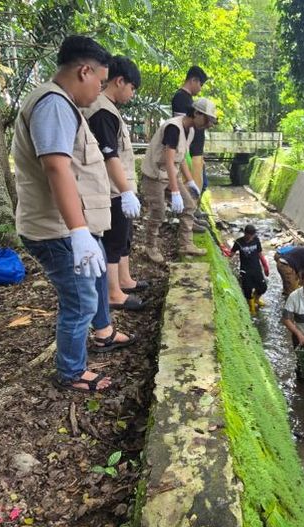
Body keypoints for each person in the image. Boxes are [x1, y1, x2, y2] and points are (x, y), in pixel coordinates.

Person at [13, 35, 132, 392]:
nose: (99, 90)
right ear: (84, 71)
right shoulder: (53, 105)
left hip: (69, 227)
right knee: (79, 301)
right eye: (99, 80)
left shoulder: (63, 105)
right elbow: (56, 169)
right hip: (56, 230)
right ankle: (71, 372)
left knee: (91, 290)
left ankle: (101, 334)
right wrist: (78, 232)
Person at [82, 55, 147, 312]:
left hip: (119, 189)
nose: (132, 94)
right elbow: (110, 156)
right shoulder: (102, 112)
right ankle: (113, 293)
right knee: (114, 241)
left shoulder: (110, 110)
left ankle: (124, 279)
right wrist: (126, 192)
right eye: (132, 88)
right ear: (119, 81)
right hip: (112, 190)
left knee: (124, 238)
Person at [140, 97, 217, 262]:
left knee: (189, 205)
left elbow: (180, 158)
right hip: (155, 176)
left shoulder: (190, 130)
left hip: (170, 175)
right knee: (158, 212)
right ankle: (150, 246)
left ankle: (186, 243)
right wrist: (175, 191)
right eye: (207, 119)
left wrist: (189, 181)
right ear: (196, 113)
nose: (208, 124)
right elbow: (168, 159)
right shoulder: (173, 128)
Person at [171, 66, 209, 193]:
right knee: (192, 189)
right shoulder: (180, 97)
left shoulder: (188, 99)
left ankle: (192, 210)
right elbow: (182, 128)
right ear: (193, 80)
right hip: (190, 152)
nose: (200, 88)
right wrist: (186, 152)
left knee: (201, 186)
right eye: (201, 84)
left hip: (195, 152)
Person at [224, 224, 269, 314]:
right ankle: (251, 306)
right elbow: (231, 254)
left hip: (256, 268)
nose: (251, 237)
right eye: (249, 235)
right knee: (247, 289)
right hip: (245, 269)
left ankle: (256, 299)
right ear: (245, 233)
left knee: (263, 287)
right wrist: (224, 251)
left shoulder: (256, 240)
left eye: (252, 235)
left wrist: (265, 266)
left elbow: (260, 254)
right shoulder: (238, 242)